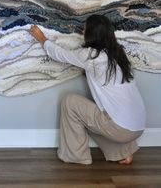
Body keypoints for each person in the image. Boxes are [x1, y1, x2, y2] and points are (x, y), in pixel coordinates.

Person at [30, 14, 146, 165]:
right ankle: (124, 152)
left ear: (92, 33)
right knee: (95, 113)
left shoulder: (92, 55)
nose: (82, 31)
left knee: (70, 102)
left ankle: (76, 156)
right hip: (138, 126)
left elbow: (60, 54)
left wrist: (42, 39)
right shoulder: (117, 54)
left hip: (121, 129)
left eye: (84, 28)